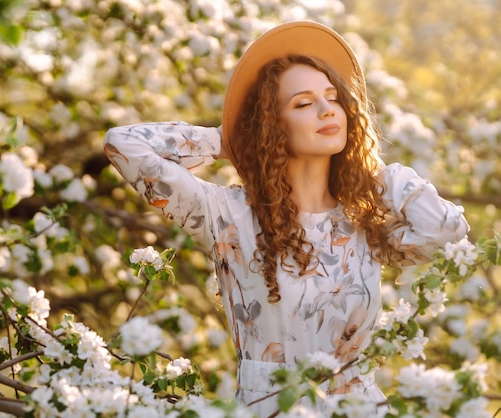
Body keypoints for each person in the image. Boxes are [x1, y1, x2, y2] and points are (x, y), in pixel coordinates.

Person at [103, 20, 469, 417]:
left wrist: (382, 175)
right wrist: (232, 139)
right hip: (271, 408)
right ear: (272, 125)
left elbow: (447, 233)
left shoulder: (362, 221)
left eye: (333, 97)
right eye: (303, 103)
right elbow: (123, 144)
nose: (328, 108)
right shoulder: (228, 216)